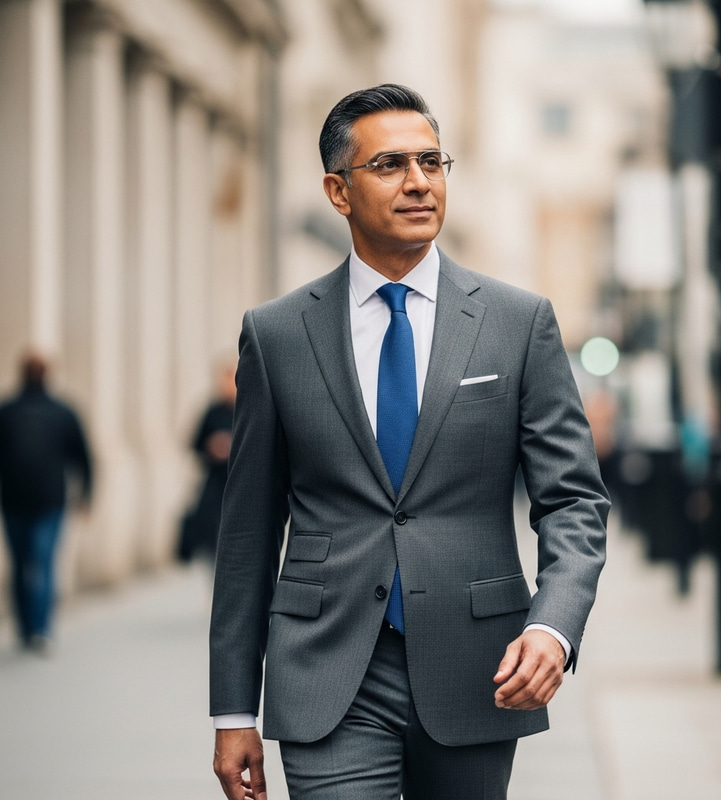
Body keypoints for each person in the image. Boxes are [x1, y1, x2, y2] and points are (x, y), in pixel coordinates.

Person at [210, 84, 609, 800]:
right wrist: (233, 709)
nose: (420, 181)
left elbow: (574, 499)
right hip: (326, 674)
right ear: (338, 190)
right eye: (391, 164)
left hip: (478, 669)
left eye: (432, 161)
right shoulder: (277, 336)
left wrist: (553, 628)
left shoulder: (518, 324)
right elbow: (247, 533)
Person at [0, 351, 92, 653]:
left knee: (31, 562)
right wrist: (86, 494)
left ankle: (34, 627)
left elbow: (81, 456)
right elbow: (83, 457)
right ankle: (34, 628)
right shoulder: (57, 411)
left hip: (31, 502)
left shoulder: (11, 411)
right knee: (37, 563)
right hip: (35, 501)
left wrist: (86, 493)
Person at [178, 360, 236, 563]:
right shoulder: (212, 412)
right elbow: (194, 444)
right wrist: (211, 447)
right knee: (211, 535)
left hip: (239, 483)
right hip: (214, 482)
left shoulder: (248, 410)